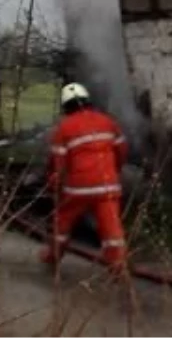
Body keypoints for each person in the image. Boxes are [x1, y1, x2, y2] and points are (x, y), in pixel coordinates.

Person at [39, 82, 130, 274]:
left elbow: (58, 164)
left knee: (62, 223)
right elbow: (121, 151)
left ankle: (52, 257)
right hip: (107, 185)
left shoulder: (64, 128)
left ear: (66, 106)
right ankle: (118, 265)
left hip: (78, 189)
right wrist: (114, 172)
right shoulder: (107, 121)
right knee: (112, 229)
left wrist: (53, 185)